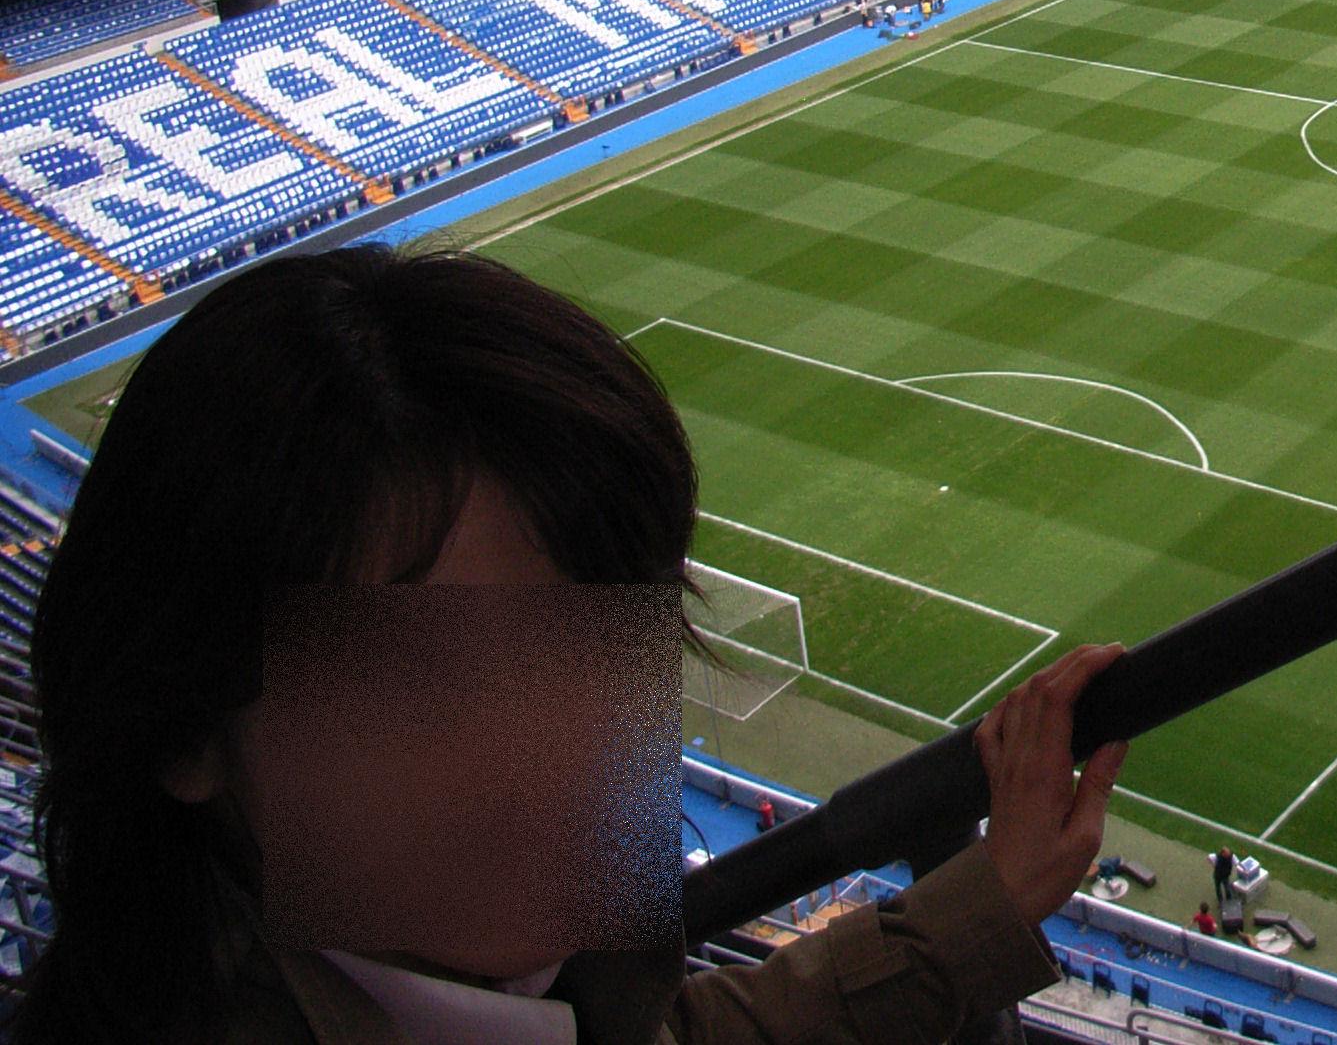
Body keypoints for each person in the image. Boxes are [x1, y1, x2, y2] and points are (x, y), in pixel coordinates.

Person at [23, 244, 1132, 1045]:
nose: (556, 758)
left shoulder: (453, 978)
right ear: (183, 725)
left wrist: (980, 905)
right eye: (424, 688)